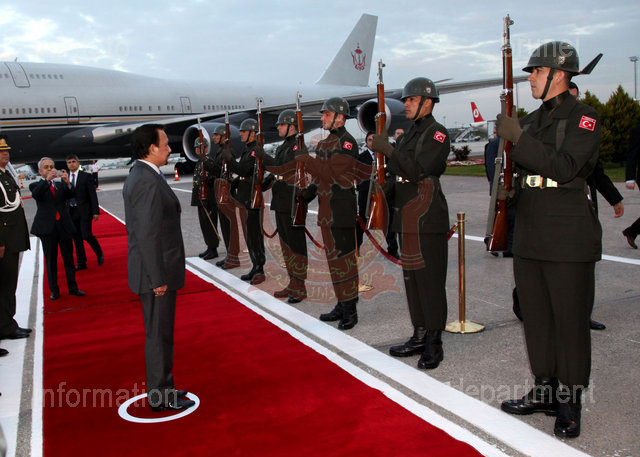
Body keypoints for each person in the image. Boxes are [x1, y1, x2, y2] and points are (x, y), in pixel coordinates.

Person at [496, 41, 602, 438]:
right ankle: (545, 389)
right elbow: (525, 171)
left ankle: (570, 400)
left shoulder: (584, 117)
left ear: (559, 74)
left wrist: (519, 139)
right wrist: (509, 193)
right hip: (531, 231)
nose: (530, 78)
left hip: (567, 233)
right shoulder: (531, 120)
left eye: (536, 71)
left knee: (569, 321)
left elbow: (566, 167)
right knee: (536, 317)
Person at [372, 77, 450, 370]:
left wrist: (390, 151)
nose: (405, 104)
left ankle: (434, 341)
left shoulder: (437, 134)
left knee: (430, 282)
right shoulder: (408, 135)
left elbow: (418, 170)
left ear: (427, 102)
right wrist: (384, 189)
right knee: (413, 282)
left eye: (411, 99)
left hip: (427, 217)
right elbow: (399, 174)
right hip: (406, 216)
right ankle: (419, 333)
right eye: (405, 99)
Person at [122, 124, 194, 412]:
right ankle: (160, 395)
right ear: (151, 148)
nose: (169, 149)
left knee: (161, 334)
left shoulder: (144, 174)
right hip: (155, 273)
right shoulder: (146, 180)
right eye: (165, 144)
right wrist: (157, 278)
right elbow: (147, 233)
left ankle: (165, 385)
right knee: (158, 336)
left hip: (156, 270)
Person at [300, 97, 360, 330]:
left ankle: (350, 309)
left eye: (326, 114)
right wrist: (307, 194)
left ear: (340, 117)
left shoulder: (347, 143)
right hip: (327, 210)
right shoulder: (325, 144)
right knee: (334, 261)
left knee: (345, 262)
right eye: (323, 114)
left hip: (342, 209)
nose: (323, 118)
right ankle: (341, 303)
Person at [255, 109, 311, 303]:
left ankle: (300, 286)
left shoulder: (298, 146)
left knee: (296, 246)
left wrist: (264, 157)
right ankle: (293, 282)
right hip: (281, 201)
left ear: (292, 127)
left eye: (281, 124)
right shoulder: (284, 146)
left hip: (292, 201)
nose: (278, 127)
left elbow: (285, 169)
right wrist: (266, 181)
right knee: (286, 247)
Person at [30, 157, 85, 301]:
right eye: (46, 167)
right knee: (51, 260)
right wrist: (47, 181)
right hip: (47, 228)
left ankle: (73, 287)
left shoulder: (60, 185)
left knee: (68, 258)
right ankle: (54, 290)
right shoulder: (36, 185)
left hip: (64, 225)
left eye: (51, 166)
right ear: (40, 171)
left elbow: (72, 194)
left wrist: (68, 183)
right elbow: (36, 195)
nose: (50, 169)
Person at [221, 118, 266, 284]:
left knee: (255, 235)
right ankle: (255, 266)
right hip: (247, 197)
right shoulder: (248, 150)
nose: (240, 134)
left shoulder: (255, 151)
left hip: (253, 198)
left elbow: (244, 170)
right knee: (250, 234)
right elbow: (244, 175)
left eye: (244, 131)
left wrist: (230, 160)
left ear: (253, 133)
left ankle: (260, 268)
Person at [0, 137, 32, 345]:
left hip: (12, 239)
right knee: (4, 285)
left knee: (9, 285)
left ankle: (7, 324)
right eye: (1, 151)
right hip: (4, 241)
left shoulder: (5, 175)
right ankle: (4, 326)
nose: (6, 153)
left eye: (6, 150)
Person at [65, 154, 104, 270]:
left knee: (86, 235)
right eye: (69, 162)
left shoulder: (86, 176)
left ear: (78, 163)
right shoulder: (65, 178)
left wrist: (95, 211)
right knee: (76, 238)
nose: (71, 164)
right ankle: (81, 262)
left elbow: (92, 194)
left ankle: (99, 252)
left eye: (73, 162)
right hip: (72, 211)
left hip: (84, 211)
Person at [212, 124, 241, 270]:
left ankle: (234, 256)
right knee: (224, 225)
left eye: (216, 135)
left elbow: (226, 171)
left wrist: (209, 165)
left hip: (227, 192)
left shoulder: (228, 151)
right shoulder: (220, 151)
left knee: (229, 226)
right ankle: (230, 254)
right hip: (221, 191)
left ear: (223, 136)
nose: (214, 137)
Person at [190, 137, 220, 261]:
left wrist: (205, 162)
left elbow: (215, 172)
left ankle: (213, 248)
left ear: (206, 148)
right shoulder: (199, 161)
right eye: (196, 147)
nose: (198, 149)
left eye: (200, 147)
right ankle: (209, 246)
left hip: (208, 198)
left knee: (210, 223)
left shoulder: (208, 160)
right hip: (200, 197)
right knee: (204, 224)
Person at [356, 132, 375, 250]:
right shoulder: (361, 158)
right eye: (370, 140)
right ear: (366, 142)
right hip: (365, 195)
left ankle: (392, 250)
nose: (372, 142)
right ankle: (357, 247)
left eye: (374, 139)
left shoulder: (385, 156)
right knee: (361, 223)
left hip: (383, 195)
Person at [622, 124, 640, 249]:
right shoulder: (637, 130)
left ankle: (632, 231)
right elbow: (632, 155)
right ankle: (632, 231)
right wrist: (630, 178)